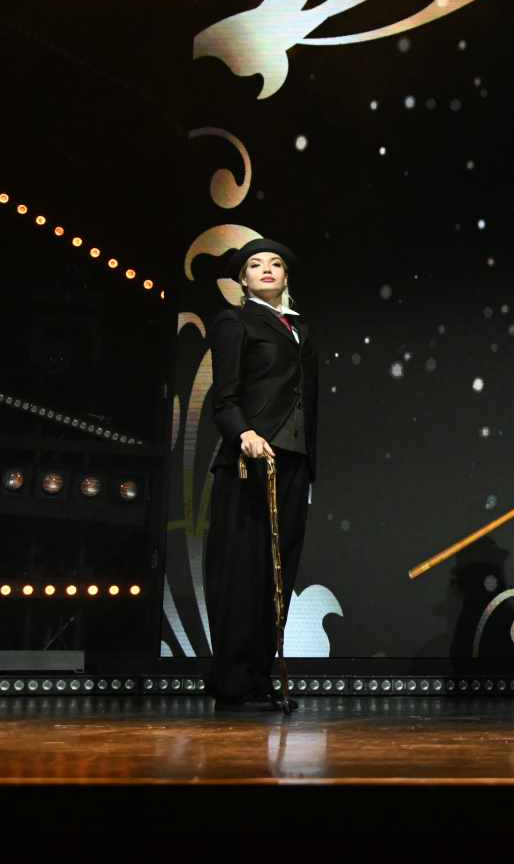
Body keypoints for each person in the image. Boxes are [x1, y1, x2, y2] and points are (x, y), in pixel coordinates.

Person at [205, 237, 318, 710]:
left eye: (275, 264)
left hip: (293, 461)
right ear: (243, 278)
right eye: (255, 264)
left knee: (278, 575)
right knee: (242, 571)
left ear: (286, 277)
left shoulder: (300, 328)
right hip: (250, 460)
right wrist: (244, 434)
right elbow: (224, 397)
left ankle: (258, 677)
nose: (267, 269)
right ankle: (232, 680)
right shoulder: (235, 322)